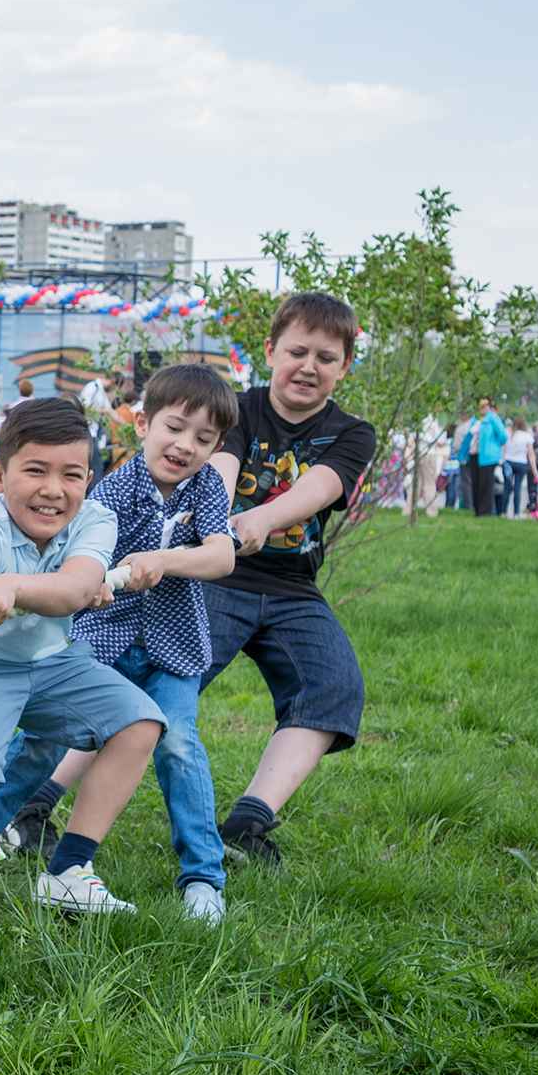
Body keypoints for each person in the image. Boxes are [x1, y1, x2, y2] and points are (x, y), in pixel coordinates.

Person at [0, 365, 242, 921]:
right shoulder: (112, 490)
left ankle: (202, 877)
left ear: (217, 447)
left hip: (175, 647)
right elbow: (80, 557)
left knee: (178, 743)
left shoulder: (208, 487)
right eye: (174, 428)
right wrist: (90, 582)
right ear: (143, 424)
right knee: (42, 743)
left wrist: (163, 560)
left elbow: (221, 556)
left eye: (203, 438)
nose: (185, 446)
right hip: (102, 636)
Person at [0, 394, 166, 917]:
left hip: (50, 660)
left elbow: (75, 589)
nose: (53, 490)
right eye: (35, 471)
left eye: (71, 475)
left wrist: (12, 585)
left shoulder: (95, 520)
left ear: (88, 481)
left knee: (139, 724)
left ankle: (68, 871)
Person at [201, 292, 374, 868]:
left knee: (333, 687)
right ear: (271, 351)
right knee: (152, 682)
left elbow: (320, 488)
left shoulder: (352, 433)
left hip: (292, 589)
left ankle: (247, 824)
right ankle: (39, 798)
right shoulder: (235, 410)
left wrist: (261, 519)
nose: (309, 367)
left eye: (326, 358)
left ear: (344, 367)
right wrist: (220, 520)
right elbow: (222, 465)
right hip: (218, 576)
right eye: (297, 352)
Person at [468, 395, 505, 516]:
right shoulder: (476, 420)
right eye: (480, 406)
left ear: (489, 407)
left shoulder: (493, 419)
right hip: (475, 454)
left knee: (486, 485)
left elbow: (503, 436)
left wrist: (494, 446)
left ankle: (485, 512)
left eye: (485, 406)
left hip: (488, 456)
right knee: (476, 483)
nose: (482, 408)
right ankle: (477, 510)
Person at [501, 415, 532, 518]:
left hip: (508, 463)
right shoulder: (527, 435)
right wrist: (534, 469)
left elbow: (503, 449)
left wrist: (502, 461)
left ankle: (503, 512)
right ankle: (516, 513)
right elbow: (530, 453)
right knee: (517, 488)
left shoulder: (507, 433)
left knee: (507, 487)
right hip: (521, 463)